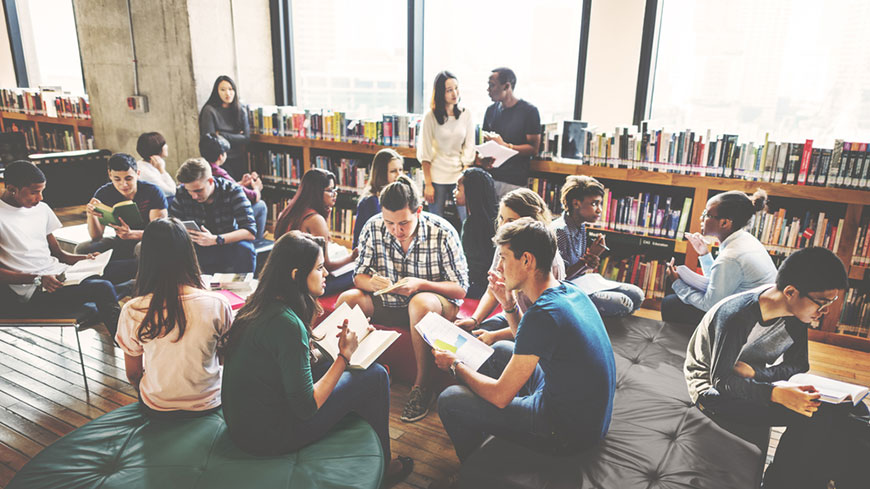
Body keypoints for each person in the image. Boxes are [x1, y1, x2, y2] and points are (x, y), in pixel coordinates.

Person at [431, 218, 616, 488]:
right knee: (499, 349)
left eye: (504, 258)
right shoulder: (568, 291)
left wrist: (454, 365)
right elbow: (526, 341)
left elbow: (500, 396)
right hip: (589, 418)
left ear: (527, 260)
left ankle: (476, 471)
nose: (499, 267)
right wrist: (507, 303)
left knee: (449, 399)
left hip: (565, 433)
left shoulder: (542, 315)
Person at [220, 231, 413, 486]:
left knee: (329, 362)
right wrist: (344, 356)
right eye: (320, 267)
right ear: (295, 275)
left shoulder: (257, 305)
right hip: (269, 437)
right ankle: (385, 467)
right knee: (375, 375)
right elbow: (306, 407)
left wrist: (346, 345)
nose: (326, 274)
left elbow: (287, 359)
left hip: (242, 426)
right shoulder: (287, 324)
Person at [684, 247, 867, 489]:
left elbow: (800, 364)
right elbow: (723, 381)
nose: (825, 311)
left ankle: (824, 480)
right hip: (710, 391)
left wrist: (758, 374)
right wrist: (776, 393)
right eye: (822, 303)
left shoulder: (796, 314)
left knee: (852, 410)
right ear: (790, 292)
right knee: (813, 414)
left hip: (749, 379)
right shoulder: (737, 316)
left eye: (831, 302)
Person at [337, 175, 468, 423]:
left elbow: (460, 289)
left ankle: (422, 386)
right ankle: (351, 372)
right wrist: (373, 283)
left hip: (433, 305)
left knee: (419, 302)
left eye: (404, 223)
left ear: (418, 211)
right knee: (347, 299)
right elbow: (359, 277)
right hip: (389, 302)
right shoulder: (373, 226)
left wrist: (420, 285)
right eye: (389, 223)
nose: (397, 231)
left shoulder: (442, 231)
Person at [116, 218, 233, 416]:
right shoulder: (218, 304)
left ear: (145, 258)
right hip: (208, 402)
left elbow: (134, 374)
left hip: (157, 405)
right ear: (189, 254)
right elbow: (224, 358)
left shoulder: (132, 310)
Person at [0, 160, 120, 337]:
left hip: (60, 274)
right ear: (12, 189)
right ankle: (128, 348)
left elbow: (59, 254)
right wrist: (37, 278)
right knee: (103, 288)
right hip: (35, 289)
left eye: (42, 191)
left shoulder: (41, 209)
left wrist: (85, 258)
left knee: (124, 270)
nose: (40, 198)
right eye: (34, 192)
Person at [454, 188, 565, 346]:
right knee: (474, 335)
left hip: (538, 329)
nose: (503, 226)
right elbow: (493, 290)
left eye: (511, 221)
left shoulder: (549, 262)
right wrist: (474, 319)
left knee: (494, 346)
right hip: (515, 313)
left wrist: (495, 336)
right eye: (501, 218)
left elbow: (537, 327)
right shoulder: (506, 245)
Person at [663, 189, 777, 326]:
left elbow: (710, 305)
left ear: (725, 223)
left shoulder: (731, 257)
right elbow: (718, 281)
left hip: (745, 322)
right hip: (755, 311)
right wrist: (704, 254)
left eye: (707, 214)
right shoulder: (745, 239)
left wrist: (677, 284)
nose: (701, 218)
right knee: (676, 294)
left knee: (670, 303)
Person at [552, 175, 645, 316]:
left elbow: (580, 268)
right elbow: (559, 279)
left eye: (600, 204)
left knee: (636, 295)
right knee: (623, 304)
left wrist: (589, 262)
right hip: (566, 290)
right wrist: (588, 259)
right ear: (576, 203)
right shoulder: (560, 232)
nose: (599, 210)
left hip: (582, 282)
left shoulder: (580, 226)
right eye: (594, 204)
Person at [274, 168, 358, 296]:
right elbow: (327, 266)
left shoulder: (288, 211)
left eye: (335, 190)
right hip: (305, 284)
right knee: (357, 271)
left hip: (284, 278)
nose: (335, 194)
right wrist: (352, 257)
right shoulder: (315, 219)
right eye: (330, 190)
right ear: (317, 192)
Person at [169, 158, 256, 274]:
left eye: (198, 191)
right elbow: (172, 224)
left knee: (245, 249)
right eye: (190, 191)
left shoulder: (232, 190)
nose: (194, 196)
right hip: (197, 246)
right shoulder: (181, 192)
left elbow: (250, 232)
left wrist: (215, 239)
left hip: (227, 243)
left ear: (210, 181)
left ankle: (242, 288)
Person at [77, 153, 168, 261]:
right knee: (83, 248)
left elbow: (161, 233)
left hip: (147, 240)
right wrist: (90, 214)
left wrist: (132, 234)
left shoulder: (152, 192)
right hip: (120, 240)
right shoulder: (103, 194)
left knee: (141, 248)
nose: (123, 184)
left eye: (128, 178)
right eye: (117, 179)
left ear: (137, 174)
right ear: (110, 175)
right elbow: (96, 237)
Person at [417, 71, 476, 220]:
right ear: (440, 93)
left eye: (456, 88)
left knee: (466, 220)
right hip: (437, 177)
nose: (454, 93)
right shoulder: (430, 116)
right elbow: (425, 152)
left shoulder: (466, 114)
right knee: (436, 221)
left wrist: (463, 181)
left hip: (459, 175)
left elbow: (469, 149)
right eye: (449, 90)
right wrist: (428, 184)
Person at [476, 68, 541, 198]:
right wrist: (483, 160)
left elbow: (534, 149)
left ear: (506, 86)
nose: (488, 90)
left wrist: (506, 146)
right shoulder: (490, 111)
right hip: (490, 178)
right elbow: (485, 145)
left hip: (513, 181)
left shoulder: (529, 111)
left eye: (492, 85)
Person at [199, 133, 267, 240]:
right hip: (226, 219)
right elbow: (252, 197)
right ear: (221, 156)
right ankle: (257, 242)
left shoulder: (201, 169)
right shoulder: (220, 172)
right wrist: (257, 188)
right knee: (261, 206)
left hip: (209, 219)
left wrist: (240, 183)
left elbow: (224, 187)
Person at [453, 167, 497, 299]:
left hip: (478, 287)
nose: (454, 192)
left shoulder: (472, 225)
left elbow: (470, 266)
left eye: (458, 189)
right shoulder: (495, 217)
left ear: (472, 192)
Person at [199, 75, 250, 180]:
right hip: (219, 161)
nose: (227, 93)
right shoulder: (209, 110)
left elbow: (246, 138)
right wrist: (236, 136)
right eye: (223, 90)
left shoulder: (240, 109)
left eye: (231, 89)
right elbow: (211, 142)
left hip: (239, 157)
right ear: (216, 91)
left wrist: (221, 134)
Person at [353, 148, 404, 248]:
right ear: (382, 174)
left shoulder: (395, 195)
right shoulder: (371, 201)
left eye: (401, 170)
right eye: (393, 171)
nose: (399, 175)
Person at [135, 132, 176, 197]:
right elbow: (172, 191)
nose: (167, 146)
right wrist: (162, 170)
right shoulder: (145, 172)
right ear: (157, 148)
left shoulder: (155, 163)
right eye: (164, 144)